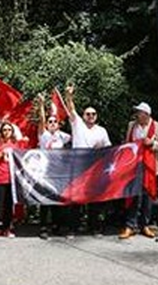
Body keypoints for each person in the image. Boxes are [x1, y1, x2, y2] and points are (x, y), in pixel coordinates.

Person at [118, 102, 158, 239]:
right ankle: (130, 226)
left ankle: (145, 225)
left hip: (150, 168)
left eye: (139, 112)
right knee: (133, 196)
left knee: (148, 198)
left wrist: (151, 143)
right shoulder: (131, 125)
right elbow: (127, 143)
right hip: (133, 167)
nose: (136, 114)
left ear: (146, 114)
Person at [65, 85, 111, 233]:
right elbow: (71, 109)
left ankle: (94, 227)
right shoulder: (77, 123)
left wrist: (101, 149)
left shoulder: (102, 131)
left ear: (96, 116)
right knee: (75, 197)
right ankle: (73, 227)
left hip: (95, 167)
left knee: (94, 198)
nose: (91, 116)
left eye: (93, 114)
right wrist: (69, 95)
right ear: (83, 115)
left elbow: (108, 148)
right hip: (78, 166)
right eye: (88, 114)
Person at [36, 93, 71, 239]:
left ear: (58, 124)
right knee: (45, 200)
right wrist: (42, 105)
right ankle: (44, 227)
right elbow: (42, 119)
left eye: (54, 122)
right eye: (49, 122)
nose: (51, 123)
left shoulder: (63, 136)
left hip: (59, 172)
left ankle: (57, 226)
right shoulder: (43, 136)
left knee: (58, 200)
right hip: (45, 172)